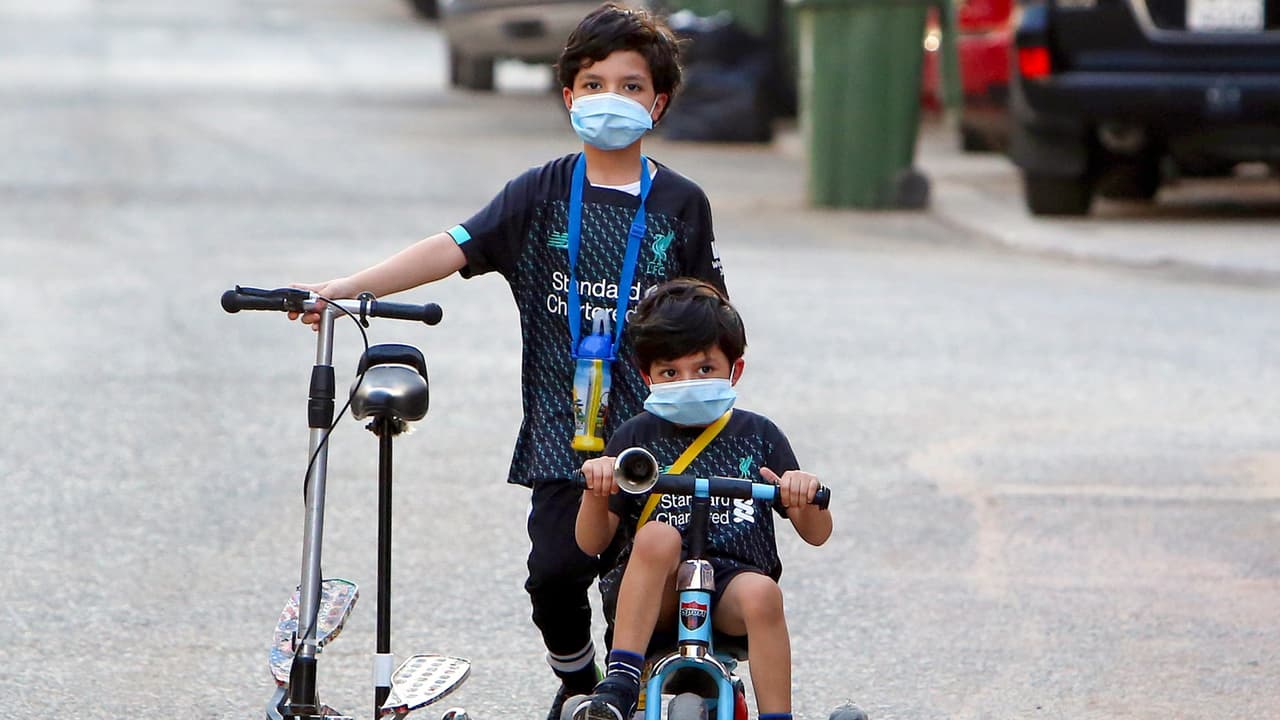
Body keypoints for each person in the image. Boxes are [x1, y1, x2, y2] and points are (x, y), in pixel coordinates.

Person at [288, 5, 727, 719]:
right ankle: (579, 685)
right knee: (553, 576)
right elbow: (452, 246)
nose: (609, 99)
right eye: (593, 84)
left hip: (659, 436)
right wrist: (348, 289)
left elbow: (714, 317)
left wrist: (718, 397)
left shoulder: (680, 204)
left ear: (658, 103)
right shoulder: (540, 194)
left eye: (630, 86)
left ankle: (630, 690)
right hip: (563, 433)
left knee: (642, 583)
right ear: (568, 97)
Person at [574, 278, 832, 720]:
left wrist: (801, 493)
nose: (688, 382)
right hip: (654, 591)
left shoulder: (759, 436)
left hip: (731, 586)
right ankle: (620, 681)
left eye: (705, 368)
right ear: (647, 376)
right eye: (670, 373)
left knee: (763, 593)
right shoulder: (635, 436)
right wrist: (597, 491)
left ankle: (777, 715)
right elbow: (591, 542)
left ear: (735, 370)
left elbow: (817, 533)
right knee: (657, 535)